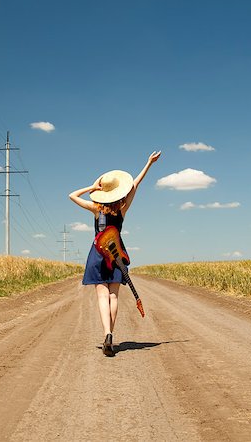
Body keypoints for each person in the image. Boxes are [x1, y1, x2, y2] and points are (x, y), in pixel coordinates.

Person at [69, 151, 161, 356]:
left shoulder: (95, 208)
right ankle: (111, 334)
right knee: (114, 296)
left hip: (98, 254)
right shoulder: (122, 210)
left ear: (103, 193)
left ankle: (107, 333)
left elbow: (72, 196)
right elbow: (135, 185)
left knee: (102, 297)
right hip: (117, 254)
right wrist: (148, 164)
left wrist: (92, 188)